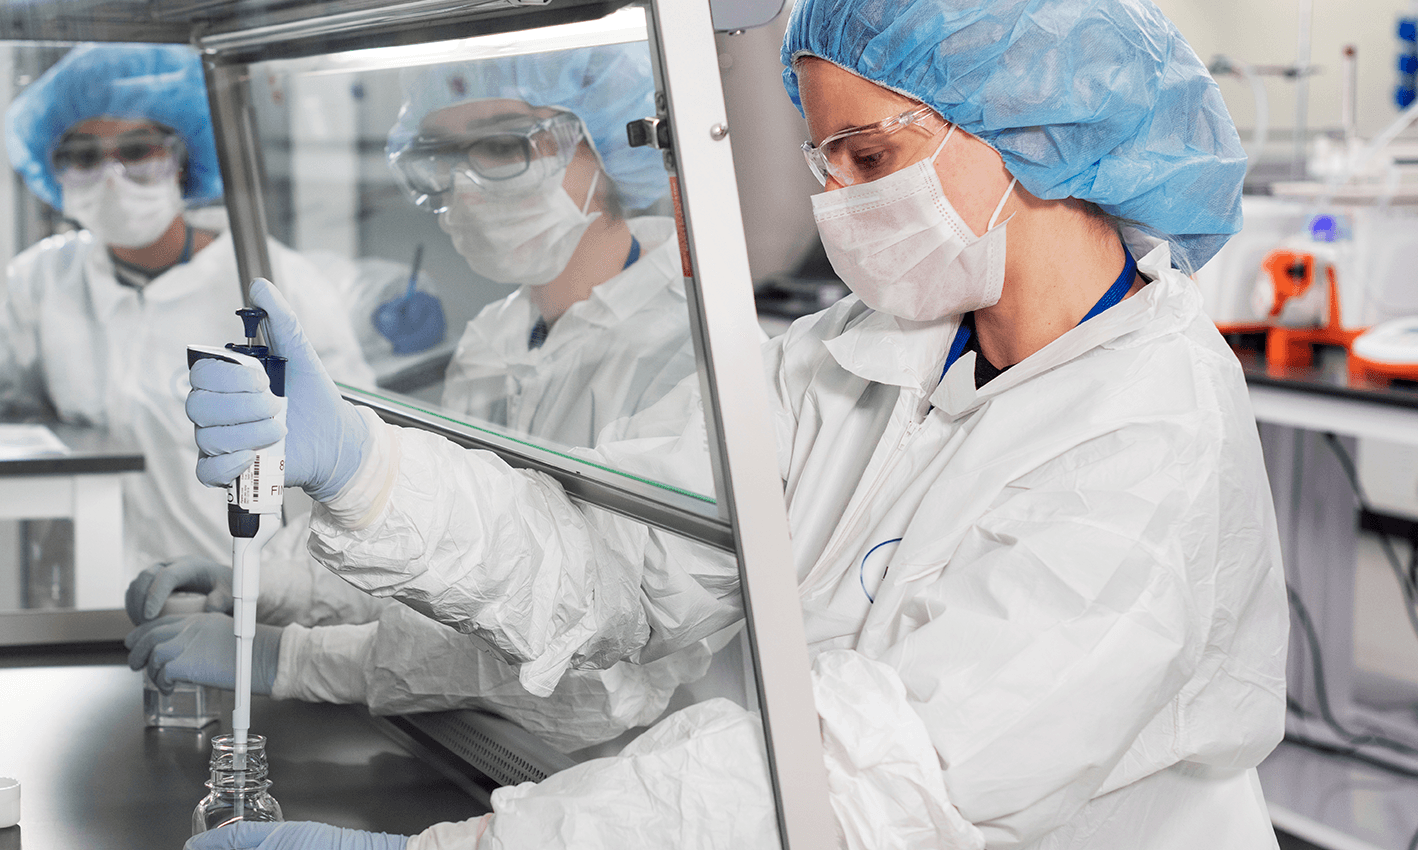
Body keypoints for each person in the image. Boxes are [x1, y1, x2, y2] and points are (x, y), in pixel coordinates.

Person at [182, 0, 1288, 847]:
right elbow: (614, 561)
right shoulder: (848, 356)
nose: (840, 204)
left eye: (869, 158)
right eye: (826, 164)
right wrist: (365, 471)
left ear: (1037, 133)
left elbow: (881, 771)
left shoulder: (1151, 427)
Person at [128, 44, 725, 752]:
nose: (465, 185)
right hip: (481, 743)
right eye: (441, 156)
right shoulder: (498, 334)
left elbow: (598, 667)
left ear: (607, 144)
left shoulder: (689, 355)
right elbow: (447, 558)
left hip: (629, 773)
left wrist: (286, 660)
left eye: (503, 146)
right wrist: (277, 583)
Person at [0, 44, 371, 572]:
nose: (112, 175)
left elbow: (351, 449)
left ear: (184, 159)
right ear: (56, 171)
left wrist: (290, 601)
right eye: (84, 157)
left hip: (254, 594)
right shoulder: (50, 278)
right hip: (104, 593)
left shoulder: (267, 282)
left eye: (138, 150)